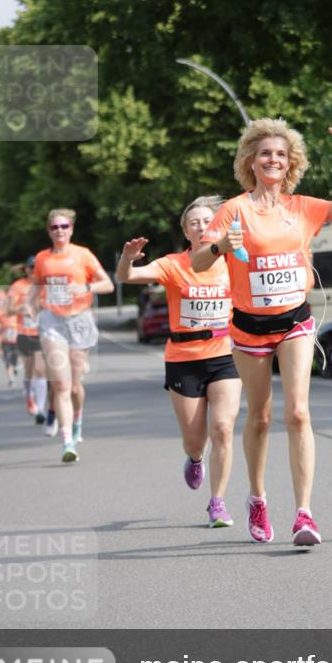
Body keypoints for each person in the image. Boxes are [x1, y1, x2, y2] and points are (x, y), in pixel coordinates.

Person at [193, 119, 332, 547]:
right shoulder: (234, 210)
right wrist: (219, 246)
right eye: (264, 154)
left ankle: (304, 515)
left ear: (290, 162)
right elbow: (200, 262)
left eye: (280, 154)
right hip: (250, 327)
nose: (273, 160)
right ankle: (257, 498)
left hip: (295, 320)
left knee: (298, 412)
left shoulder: (303, 208)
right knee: (260, 416)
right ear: (251, 162)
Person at [116, 196, 241, 528]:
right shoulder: (173, 264)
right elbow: (127, 277)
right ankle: (195, 458)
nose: (202, 227)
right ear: (186, 232)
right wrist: (127, 259)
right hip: (183, 359)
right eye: (194, 222)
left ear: (219, 227)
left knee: (224, 429)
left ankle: (218, 503)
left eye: (208, 221)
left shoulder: (234, 262)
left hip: (225, 355)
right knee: (195, 439)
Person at [28, 209, 113, 462]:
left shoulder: (83, 254)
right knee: (61, 384)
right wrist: (31, 307)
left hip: (79, 320)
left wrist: (85, 286)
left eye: (64, 226)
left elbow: (107, 284)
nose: (59, 231)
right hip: (52, 321)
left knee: (75, 386)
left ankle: (77, 421)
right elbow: (35, 285)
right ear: (49, 230)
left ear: (71, 229)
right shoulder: (43, 258)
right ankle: (67, 442)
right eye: (54, 227)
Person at [8, 258, 48, 422]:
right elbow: (9, 310)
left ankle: (40, 410)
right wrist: (22, 308)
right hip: (24, 332)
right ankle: (29, 396)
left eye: (36, 267)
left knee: (40, 370)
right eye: (30, 267)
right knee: (29, 370)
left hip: (41, 332)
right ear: (25, 269)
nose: (33, 270)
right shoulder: (17, 286)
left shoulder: (44, 285)